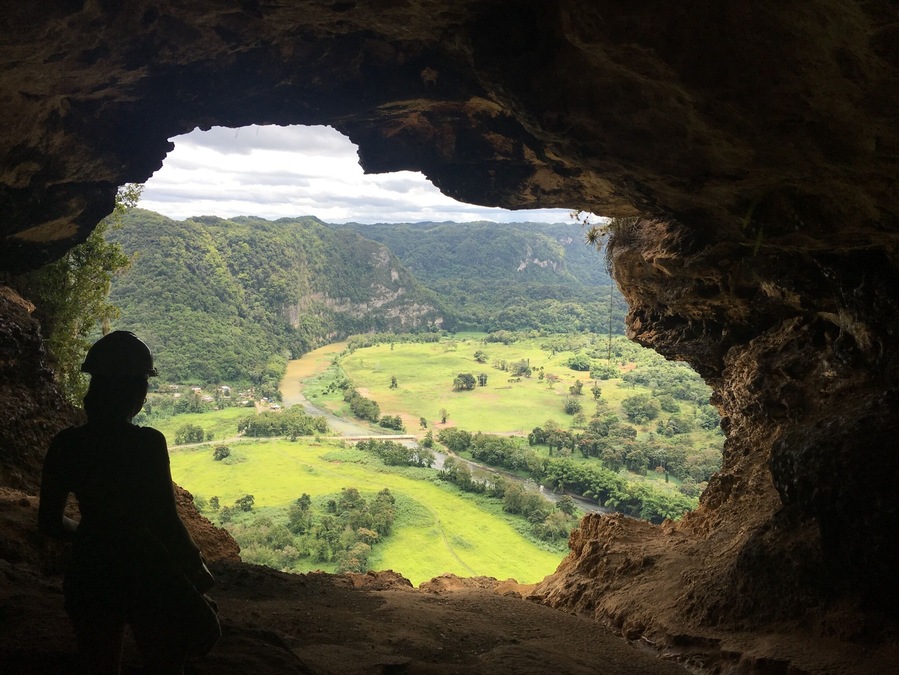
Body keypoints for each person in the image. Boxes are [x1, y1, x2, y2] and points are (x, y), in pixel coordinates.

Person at [39, 331, 219, 674]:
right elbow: (165, 520)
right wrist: (196, 569)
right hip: (146, 571)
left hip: (89, 574)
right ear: (137, 390)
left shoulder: (65, 445)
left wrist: (94, 534)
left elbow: (49, 522)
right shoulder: (147, 444)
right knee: (165, 662)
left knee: (98, 662)